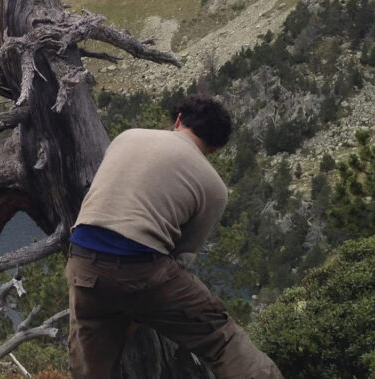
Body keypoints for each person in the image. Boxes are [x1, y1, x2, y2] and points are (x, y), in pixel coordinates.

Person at [66, 94, 282, 379]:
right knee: (221, 338)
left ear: (179, 119)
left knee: (91, 368)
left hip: (82, 264)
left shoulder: (127, 137)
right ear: (215, 148)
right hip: (143, 269)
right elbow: (180, 256)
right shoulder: (213, 186)